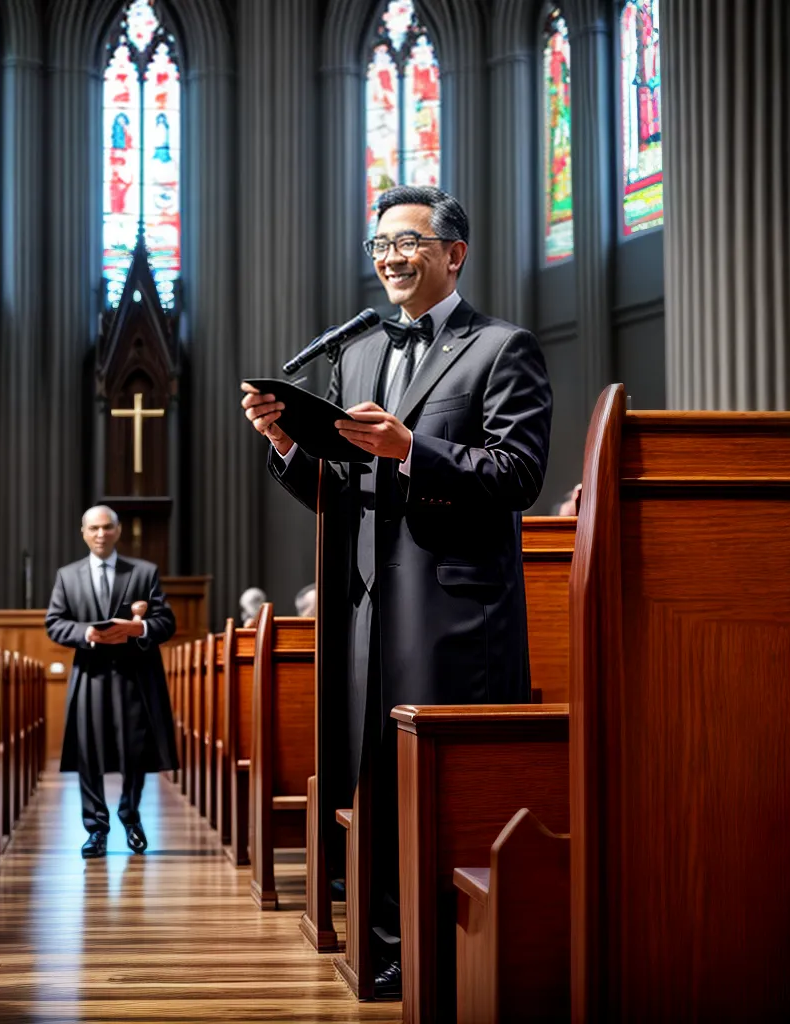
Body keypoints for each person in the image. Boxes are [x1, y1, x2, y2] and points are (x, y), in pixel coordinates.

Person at [241, 185, 552, 997]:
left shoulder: (501, 348)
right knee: (373, 782)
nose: (390, 257)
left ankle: (449, 956)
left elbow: (518, 474)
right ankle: (385, 952)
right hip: (367, 607)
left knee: (439, 790)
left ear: (454, 253)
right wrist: (286, 443)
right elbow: (347, 490)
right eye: (380, 245)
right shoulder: (358, 356)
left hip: (455, 614)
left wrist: (412, 447)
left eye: (407, 242)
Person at [45, 505, 178, 859]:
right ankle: (96, 830)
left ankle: (130, 817)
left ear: (118, 531)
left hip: (134, 675)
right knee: (88, 752)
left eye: (107, 527)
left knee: (135, 750)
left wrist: (140, 628)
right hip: (90, 674)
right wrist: (85, 632)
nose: (100, 534)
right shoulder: (67, 576)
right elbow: (54, 623)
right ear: (83, 533)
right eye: (94, 528)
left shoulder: (144, 572)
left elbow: (166, 622)